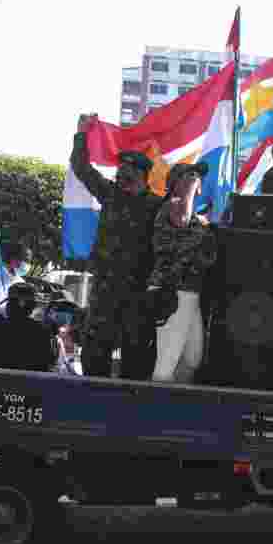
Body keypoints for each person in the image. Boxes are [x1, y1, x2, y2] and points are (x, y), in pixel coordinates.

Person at [71, 114, 164, 379]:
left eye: (129, 175)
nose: (122, 179)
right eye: (120, 173)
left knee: (135, 359)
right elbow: (81, 167)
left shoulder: (157, 206)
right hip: (105, 290)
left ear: (143, 176)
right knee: (93, 353)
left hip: (137, 293)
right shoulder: (110, 194)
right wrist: (81, 134)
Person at [146, 162, 217, 383]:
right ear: (176, 183)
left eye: (196, 177)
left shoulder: (193, 213)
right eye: (190, 176)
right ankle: (155, 411)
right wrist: (190, 186)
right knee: (165, 364)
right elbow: (182, 220)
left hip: (190, 291)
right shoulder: (173, 205)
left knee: (192, 358)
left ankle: (174, 401)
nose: (197, 180)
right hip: (173, 289)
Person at [0, 282, 56, 372]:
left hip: (0, 384)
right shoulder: (45, 330)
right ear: (32, 307)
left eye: (9, 303)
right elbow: (50, 363)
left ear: (10, 305)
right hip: (33, 385)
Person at [0, 243, 33, 317]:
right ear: (13, 259)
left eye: (30, 262)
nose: (28, 265)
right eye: (26, 261)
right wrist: (21, 310)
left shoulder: (20, 281)